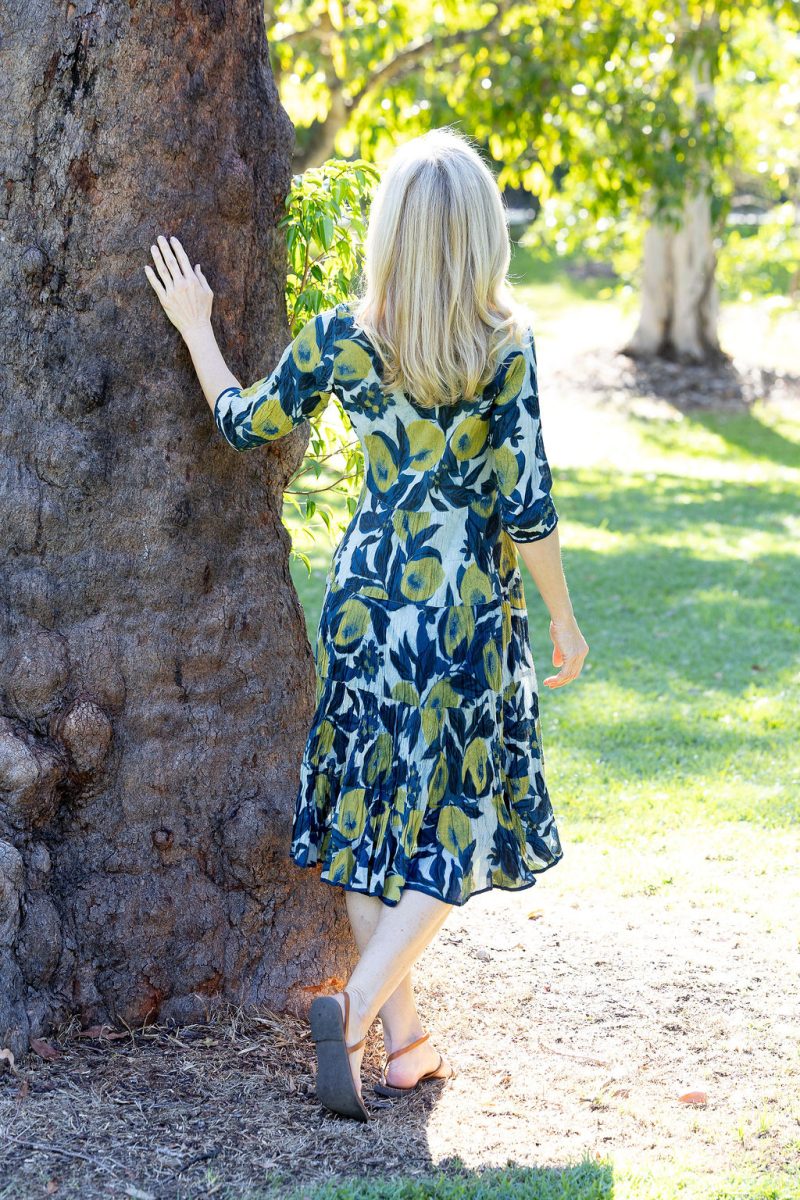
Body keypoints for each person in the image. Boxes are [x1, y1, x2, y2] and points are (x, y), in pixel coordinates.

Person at [145, 127, 589, 1123]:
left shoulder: (342, 336)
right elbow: (527, 509)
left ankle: (406, 1044)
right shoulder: (503, 344)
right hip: (463, 615)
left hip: (365, 605)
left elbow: (242, 423)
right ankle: (351, 1009)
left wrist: (196, 327)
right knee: (458, 822)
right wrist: (563, 620)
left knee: (368, 820)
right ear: (480, 236)